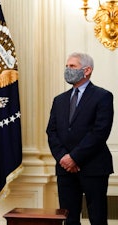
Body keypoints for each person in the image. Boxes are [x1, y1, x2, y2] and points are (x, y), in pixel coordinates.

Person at [46, 52, 114, 225]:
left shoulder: (103, 96)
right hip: (65, 170)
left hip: (94, 167)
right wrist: (63, 158)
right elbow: (51, 132)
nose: (68, 70)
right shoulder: (59, 100)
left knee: (97, 218)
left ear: (87, 70)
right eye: (67, 66)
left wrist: (74, 157)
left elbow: (100, 132)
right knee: (69, 219)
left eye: (73, 66)